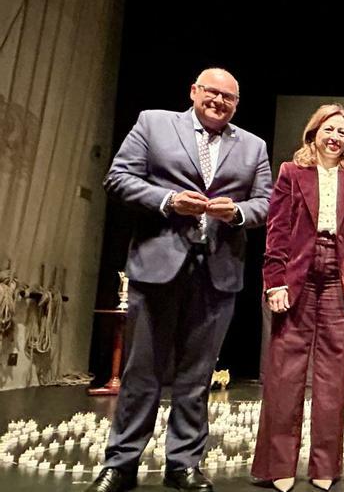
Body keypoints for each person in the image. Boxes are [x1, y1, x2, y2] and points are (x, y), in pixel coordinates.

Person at [89, 67, 273, 492]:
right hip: (157, 268)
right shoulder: (153, 123)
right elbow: (117, 179)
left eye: (229, 97)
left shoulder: (253, 145)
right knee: (141, 373)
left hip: (218, 272)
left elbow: (265, 203)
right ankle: (121, 463)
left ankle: (183, 463)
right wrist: (168, 201)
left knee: (196, 377)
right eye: (212, 92)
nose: (219, 101)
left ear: (237, 103)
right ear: (193, 91)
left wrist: (239, 213)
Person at [251, 104, 344, 492]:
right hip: (297, 277)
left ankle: (325, 465)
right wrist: (274, 281)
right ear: (313, 133)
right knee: (285, 374)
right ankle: (278, 466)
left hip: (339, 278)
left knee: (332, 377)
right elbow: (276, 231)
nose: (335, 137)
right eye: (329, 129)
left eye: (342, 132)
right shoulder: (292, 173)